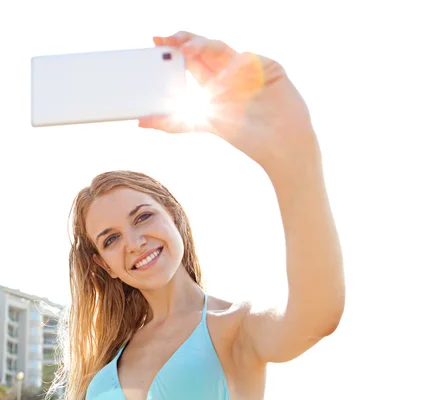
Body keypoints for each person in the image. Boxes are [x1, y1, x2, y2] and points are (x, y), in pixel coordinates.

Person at [47, 31, 345, 400]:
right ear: (104, 265)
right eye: (111, 239)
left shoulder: (233, 327)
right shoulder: (106, 359)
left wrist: (295, 156)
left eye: (142, 217)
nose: (134, 242)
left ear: (175, 218)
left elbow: (316, 317)